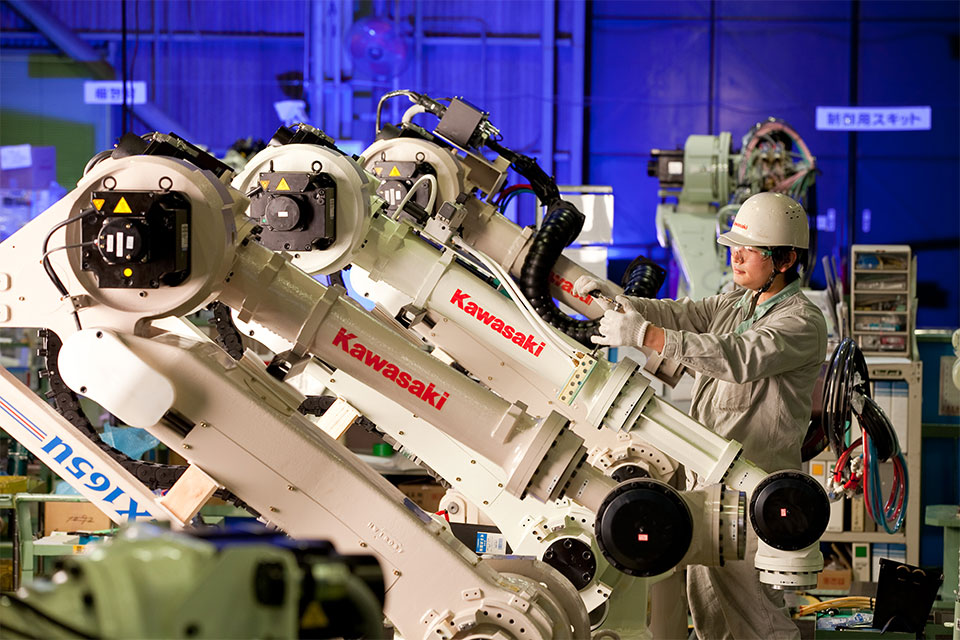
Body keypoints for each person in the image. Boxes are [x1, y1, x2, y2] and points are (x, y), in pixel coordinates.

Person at [574, 191, 827, 640]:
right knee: (712, 619)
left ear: (786, 259)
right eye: (734, 246)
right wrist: (619, 303)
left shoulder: (801, 321)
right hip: (708, 488)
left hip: (750, 496)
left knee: (758, 623)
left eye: (750, 249)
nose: (736, 256)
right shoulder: (737, 302)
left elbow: (737, 357)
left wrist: (647, 336)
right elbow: (684, 314)